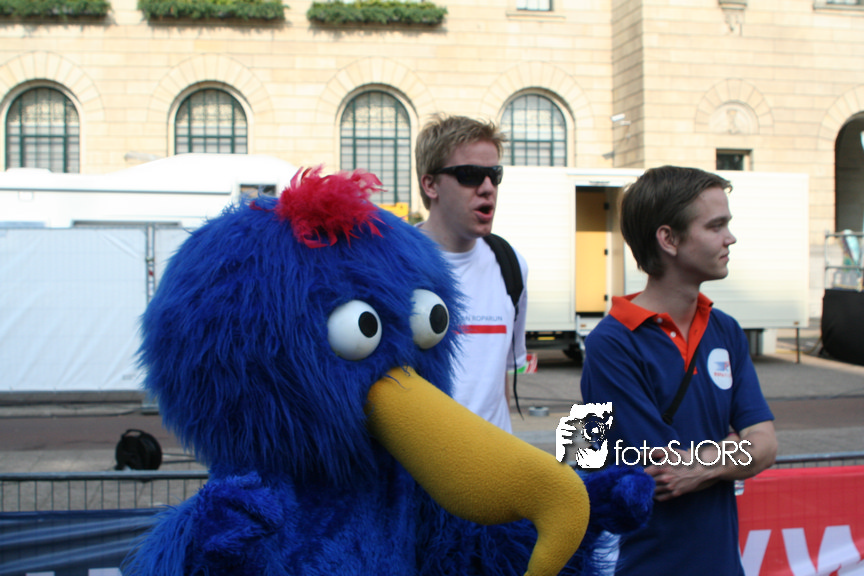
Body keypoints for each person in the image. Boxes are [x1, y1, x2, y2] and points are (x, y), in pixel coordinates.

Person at [580, 166, 778, 575]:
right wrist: (733, 449)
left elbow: (767, 445)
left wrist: (706, 462)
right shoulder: (611, 343)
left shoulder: (726, 330)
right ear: (668, 239)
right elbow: (665, 468)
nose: (730, 238)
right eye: (716, 226)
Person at [414, 114, 528, 433]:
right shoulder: (393, 267)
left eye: (494, 175)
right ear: (430, 185)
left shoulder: (512, 265)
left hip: (493, 461)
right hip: (422, 460)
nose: (488, 187)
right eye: (470, 175)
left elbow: (501, 378)